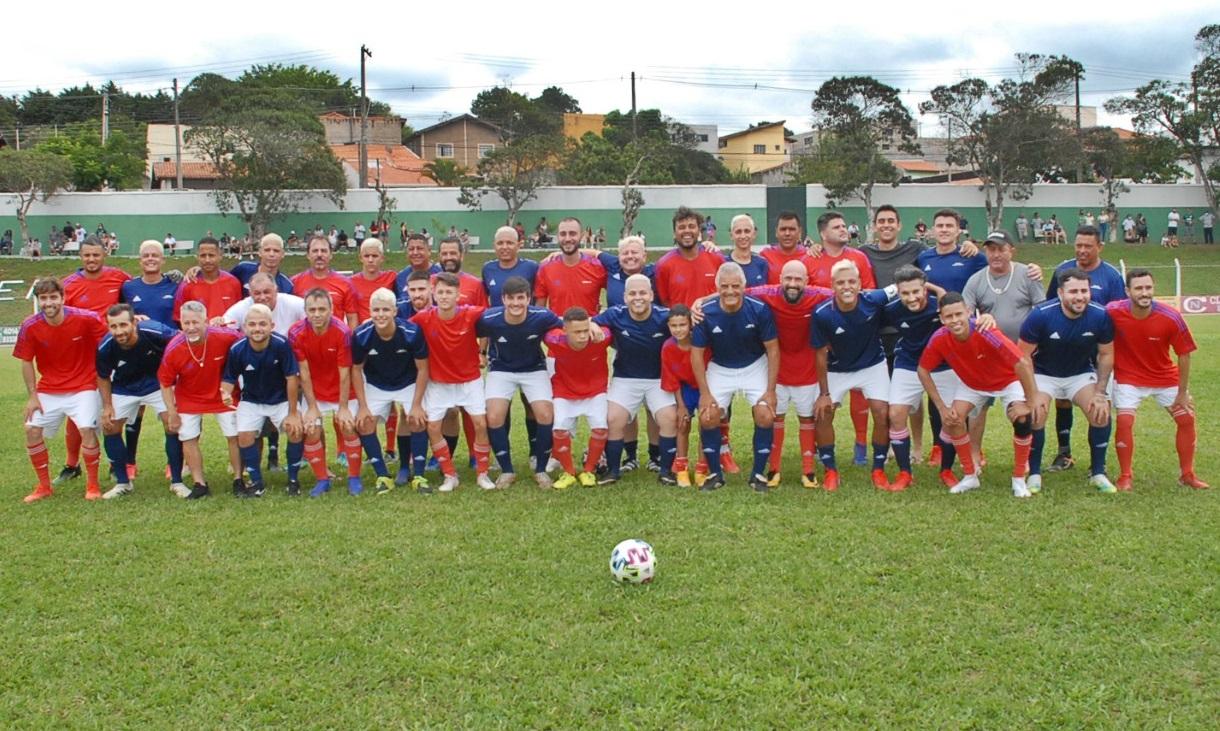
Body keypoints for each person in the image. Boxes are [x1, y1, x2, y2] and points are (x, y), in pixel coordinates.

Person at [917, 293, 1040, 498]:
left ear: (968, 312)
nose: (955, 320)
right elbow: (923, 370)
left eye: (959, 314)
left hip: (1007, 381)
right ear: (942, 319)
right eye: (949, 316)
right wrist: (941, 407)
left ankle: (1019, 479)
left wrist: (1030, 402)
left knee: (1022, 419)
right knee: (953, 420)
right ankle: (970, 476)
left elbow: (1022, 363)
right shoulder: (939, 338)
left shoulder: (985, 330)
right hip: (972, 384)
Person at [1018, 269, 1117, 494]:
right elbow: (1022, 357)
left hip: (1080, 374)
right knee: (1036, 413)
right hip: (1044, 374)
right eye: (1073, 291)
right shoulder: (1041, 315)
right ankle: (1034, 473)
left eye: (1084, 291)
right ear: (1061, 293)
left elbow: (1106, 354)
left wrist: (1101, 393)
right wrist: (1032, 395)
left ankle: (1098, 472)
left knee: (1100, 412)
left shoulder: (1100, 315)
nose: (1079, 296)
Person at [1106, 269, 1207, 490]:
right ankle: (1125, 476)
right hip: (1128, 378)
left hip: (1165, 378)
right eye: (1139, 288)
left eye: (1148, 288)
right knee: (1124, 422)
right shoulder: (1113, 311)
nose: (1144, 293)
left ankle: (1187, 474)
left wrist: (1182, 392)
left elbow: (1184, 354)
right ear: (1127, 291)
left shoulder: (1170, 316)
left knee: (1186, 419)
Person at [14, 277, 108, 502]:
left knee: (86, 429)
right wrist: (33, 396)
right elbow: (26, 361)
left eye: (53, 297)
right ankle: (44, 486)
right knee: (31, 430)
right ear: (38, 301)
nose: (49, 303)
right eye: (44, 298)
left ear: (63, 298)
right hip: (49, 388)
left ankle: (93, 485)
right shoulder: (30, 326)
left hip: (84, 386)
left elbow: (107, 345)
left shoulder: (87, 319)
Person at [740, 261, 832, 488]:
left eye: (798, 279)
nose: (792, 284)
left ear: (807, 281)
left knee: (807, 419)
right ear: (780, 279)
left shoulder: (819, 295)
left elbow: (848, 294)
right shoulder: (766, 294)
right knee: (775, 419)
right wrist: (700, 302)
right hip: (777, 372)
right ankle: (774, 469)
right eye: (788, 278)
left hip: (807, 370)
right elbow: (733, 289)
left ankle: (809, 471)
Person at [689, 262, 780, 493]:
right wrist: (704, 393)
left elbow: (773, 349)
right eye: (725, 286)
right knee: (708, 416)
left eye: (735, 286)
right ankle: (714, 475)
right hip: (720, 367)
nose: (730, 291)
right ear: (717, 286)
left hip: (754, 365)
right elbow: (697, 354)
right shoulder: (705, 312)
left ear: (744, 286)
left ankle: (758, 475)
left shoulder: (758, 309)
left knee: (765, 415)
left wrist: (770, 391)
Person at [1042, 225, 1125, 474]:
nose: (1082, 250)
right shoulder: (1062, 270)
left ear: (1099, 246)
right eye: (1078, 245)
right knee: (1063, 400)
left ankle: (1097, 464)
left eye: (1088, 246)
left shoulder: (1111, 276)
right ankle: (1064, 453)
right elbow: (1049, 306)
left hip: (1098, 351)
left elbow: (1118, 316)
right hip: (1066, 349)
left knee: (1100, 404)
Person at [810, 260, 894, 492]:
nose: (846, 287)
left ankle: (878, 469)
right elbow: (819, 355)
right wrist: (824, 393)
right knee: (824, 413)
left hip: (872, 365)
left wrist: (939, 293)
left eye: (851, 281)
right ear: (832, 286)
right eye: (840, 282)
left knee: (881, 411)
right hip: (838, 370)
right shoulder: (822, 314)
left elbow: (905, 286)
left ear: (859, 284)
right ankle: (830, 471)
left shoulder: (874, 299)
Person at [57, 235, 132, 485]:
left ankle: (115, 463)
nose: (91, 259)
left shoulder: (119, 278)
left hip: (114, 354)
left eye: (96, 254)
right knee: (77, 410)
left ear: (104, 254)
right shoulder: (68, 284)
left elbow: (139, 294)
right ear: (80, 256)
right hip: (81, 358)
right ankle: (71, 464)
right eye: (87, 255)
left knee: (113, 409)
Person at [592, 273, 680, 484]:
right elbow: (592, 323)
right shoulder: (615, 314)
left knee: (669, 418)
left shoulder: (664, 316)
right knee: (613, 419)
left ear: (651, 295)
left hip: (657, 380)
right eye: (632, 293)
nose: (637, 297)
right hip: (625, 379)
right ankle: (613, 470)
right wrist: (594, 326)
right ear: (624, 297)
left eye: (642, 293)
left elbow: (684, 329)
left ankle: (666, 470)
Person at [410, 273, 493, 492]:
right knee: (434, 427)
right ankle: (450, 474)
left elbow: (497, 317)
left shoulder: (472, 314)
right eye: (440, 292)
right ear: (433, 294)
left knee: (481, 425)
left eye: (449, 292)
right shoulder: (423, 318)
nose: (444, 296)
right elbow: (401, 330)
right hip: (439, 384)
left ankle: (482, 474)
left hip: (470, 381)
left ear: (458, 295)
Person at [478, 276, 562, 489]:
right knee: (494, 415)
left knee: (545, 413)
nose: (516, 303)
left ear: (529, 298)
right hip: (501, 370)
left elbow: (568, 325)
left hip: (534, 369)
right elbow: (474, 332)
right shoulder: (490, 318)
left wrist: (591, 326)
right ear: (503, 299)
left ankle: (541, 469)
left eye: (521, 298)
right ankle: (507, 470)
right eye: (511, 298)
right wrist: (480, 352)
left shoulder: (542, 316)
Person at [883, 266, 962, 491]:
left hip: (943, 366)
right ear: (897, 292)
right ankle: (905, 473)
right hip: (908, 364)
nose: (911, 298)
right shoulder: (891, 310)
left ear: (924, 289)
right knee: (896, 414)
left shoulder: (941, 308)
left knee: (953, 417)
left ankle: (946, 470)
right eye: (905, 293)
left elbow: (958, 309)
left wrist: (937, 290)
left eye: (916, 291)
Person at [809, 211, 878, 467]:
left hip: (857, 335)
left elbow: (869, 291)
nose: (843, 229)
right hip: (824, 338)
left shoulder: (858, 257)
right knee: (825, 396)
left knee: (860, 393)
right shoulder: (811, 259)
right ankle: (823, 447)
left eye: (843, 225)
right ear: (823, 234)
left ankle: (861, 445)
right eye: (836, 227)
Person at [96, 305, 184, 498]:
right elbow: (103, 377)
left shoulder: (155, 331)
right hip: (125, 387)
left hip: (157, 383)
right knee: (110, 427)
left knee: (173, 424)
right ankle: (122, 483)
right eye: (113, 326)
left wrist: (178, 378)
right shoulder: (105, 346)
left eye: (123, 325)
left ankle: (177, 481)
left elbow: (181, 341)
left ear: (134, 322)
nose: (119, 331)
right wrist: (107, 406)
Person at [158, 301, 243, 499]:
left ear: (206, 321)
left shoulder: (226, 337)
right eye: (186, 323)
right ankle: (199, 483)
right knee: (188, 437)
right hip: (189, 397)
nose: (191, 328)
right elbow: (165, 383)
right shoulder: (174, 348)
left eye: (195, 322)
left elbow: (244, 347)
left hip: (222, 394)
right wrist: (172, 412)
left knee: (233, 436)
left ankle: (239, 479)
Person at [351, 288, 430, 495]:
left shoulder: (411, 332)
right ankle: (382, 476)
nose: (380, 314)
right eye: (376, 310)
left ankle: (417, 474)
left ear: (395, 311)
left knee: (416, 419)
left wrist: (416, 405)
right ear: (370, 311)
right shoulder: (361, 335)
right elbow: (356, 370)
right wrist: (363, 406)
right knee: (364, 422)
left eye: (386, 309)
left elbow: (423, 369)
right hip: (377, 384)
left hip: (408, 382)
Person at [220, 304, 304, 498]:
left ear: (271, 325)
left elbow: (292, 379)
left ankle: (293, 480)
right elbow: (229, 379)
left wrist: (292, 413)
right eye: (252, 324)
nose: (257, 328)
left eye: (262, 324)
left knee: (296, 430)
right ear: (245, 327)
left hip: (281, 400)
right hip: (252, 400)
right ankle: (257, 483)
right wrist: (225, 393)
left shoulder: (281, 345)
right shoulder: (237, 349)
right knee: (244, 437)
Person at [289, 289, 360, 498]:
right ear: (305, 311)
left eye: (322, 309)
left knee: (348, 427)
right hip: (316, 392)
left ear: (331, 310)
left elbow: (345, 373)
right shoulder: (296, 332)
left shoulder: (343, 331)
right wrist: (311, 407)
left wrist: (344, 407)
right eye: (312, 309)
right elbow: (304, 371)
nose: (317, 314)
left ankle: (354, 477)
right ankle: (322, 479)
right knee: (310, 430)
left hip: (342, 390)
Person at [545, 308, 613, 489]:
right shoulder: (553, 339)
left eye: (585, 330)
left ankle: (589, 471)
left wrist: (594, 324)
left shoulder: (601, 337)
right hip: (564, 391)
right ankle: (569, 472)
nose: (583, 336)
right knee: (559, 430)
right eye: (577, 332)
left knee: (600, 428)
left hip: (595, 390)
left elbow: (611, 327)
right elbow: (543, 326)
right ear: (565, 331)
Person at [660, 305, 706, 486]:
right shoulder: (668, 348)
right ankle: (681, 468)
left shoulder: (701, 342)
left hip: (703, 388)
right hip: (685, 389)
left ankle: (702, 468)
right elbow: (673, 380)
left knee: (706, 423)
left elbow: (708, 370)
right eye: (674, 326)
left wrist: (705, 395)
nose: (678, 330)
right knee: (682, 424)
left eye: (682, 325)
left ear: (690, 325)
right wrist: (681, 406)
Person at [535, 217, 607, 315]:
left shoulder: (597, 267)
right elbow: (540, 308)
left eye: (572, 234)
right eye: (563, 234)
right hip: (558, 328)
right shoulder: (545, 268)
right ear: (558, 237)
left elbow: (615, 295)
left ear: (581, 236)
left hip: (588, 327)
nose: (567, 239)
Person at [654, 206, 723, 308]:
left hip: (713, 322)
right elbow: (665, 302)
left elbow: (725, 293)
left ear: (699, 231)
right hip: (682, 323)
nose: (687, 231)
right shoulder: (663, 265)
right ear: (674, 233)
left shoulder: (716, 258)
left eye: (691, 226)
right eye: (681, 227)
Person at [291, 235, 359, 327]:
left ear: (331, 254)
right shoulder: (295, 282)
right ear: (308, 255)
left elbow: (352, 318)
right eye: (315, 251)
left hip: (335, 339)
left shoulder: (345, 284)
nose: (319, 255)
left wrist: (350, 340)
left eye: (324, 251)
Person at [174, 237, 243, 321]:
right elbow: (179, 319)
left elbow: (239, 316)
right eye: (203, 256)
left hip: (228, 333)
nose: (207, 260)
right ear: (197, 257)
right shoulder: (187, 285)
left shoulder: (233, 282)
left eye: (211, 255)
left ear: (220, 256)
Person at [122, 240, 179, 327]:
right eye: (146, 256)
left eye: (155, 255)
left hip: (170, 339)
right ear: (140, 261)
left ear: (163, 260)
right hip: (141, 340)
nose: (150, 258)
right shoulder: (128, 288)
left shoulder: (175, 285)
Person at [481, 226, 539, 307]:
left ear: (518, 246)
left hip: (525, 318)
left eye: (509, 243)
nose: (504, 247)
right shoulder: (488, 269)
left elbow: (540, 297)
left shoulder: (532, 267)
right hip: (497, 319)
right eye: (500, 243)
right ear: (494, 246)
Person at [348, 238, 400, 323]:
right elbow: (351, 314)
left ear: (382, 258)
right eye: (366, 256)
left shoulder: (392, 277)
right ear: (360, 258)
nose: (370, 260)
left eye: (375, 256)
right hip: (364, 332)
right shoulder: (351, 282)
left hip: (387, 330)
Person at [759, 211, 814, 284]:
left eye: (792, 229)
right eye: (783, 229)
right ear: (776, 232)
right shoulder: (765, 256)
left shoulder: (809, 255)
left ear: (799, 232)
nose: (787, 233)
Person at [229, 233, 294, 294]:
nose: (271, 254)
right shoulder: (243, 269)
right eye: (267, 250)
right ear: (259, 252)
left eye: (276, 251)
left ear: (282, 254)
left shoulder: (286, 286)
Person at [437, 237, 489, 307]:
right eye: (444, 254)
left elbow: (483, 314)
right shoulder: (431, 282)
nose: (448, 257)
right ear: (439, 256)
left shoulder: (475, 285)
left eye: (453, 253)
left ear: (461, 256)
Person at [722, 214, 769, 286]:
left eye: (747, 231)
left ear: (754, 234)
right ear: (731, 235)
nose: (743, 236)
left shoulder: (762, 263)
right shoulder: (723, 263)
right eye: (738, 232)